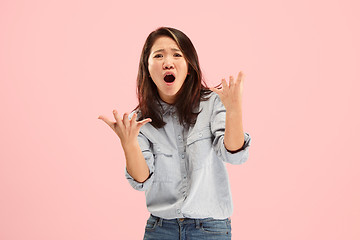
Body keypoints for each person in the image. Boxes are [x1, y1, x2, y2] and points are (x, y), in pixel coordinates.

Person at [98, 26, 252, 240]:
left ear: (189, 67)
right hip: (161, 230)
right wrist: (129, 143)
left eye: (177, 54)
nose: (167, 62)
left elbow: (234, 154)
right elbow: (142, 180)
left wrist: (234, 111)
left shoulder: (212, 103)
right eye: (158, 55)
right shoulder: (139, 120)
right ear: (148, 68)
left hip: (210, 230)